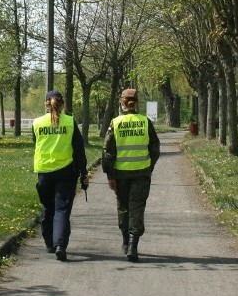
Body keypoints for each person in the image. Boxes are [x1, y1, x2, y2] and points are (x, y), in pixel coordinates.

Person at [102, 88, 160, 262]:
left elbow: (107, 151)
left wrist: (109, 175)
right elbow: (155, 148)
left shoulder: (116, 123)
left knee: (124, 207)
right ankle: (134, 245)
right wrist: (149, 167)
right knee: (137, 207)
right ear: (137, 102)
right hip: (141, 173)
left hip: (121, 174)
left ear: (122, 102)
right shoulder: (145, 122)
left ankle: (126, 242)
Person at [32, 90, 89, 261]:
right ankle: (60, 245)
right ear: (62, 104)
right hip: (65, 172)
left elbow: (36, 144)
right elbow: (79, 150)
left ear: (46, 104)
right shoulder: (70, 122)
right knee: (61, 209)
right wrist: (83, 173)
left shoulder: (37, 123)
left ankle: (49, 242)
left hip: (44, 173)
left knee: (49, 208)